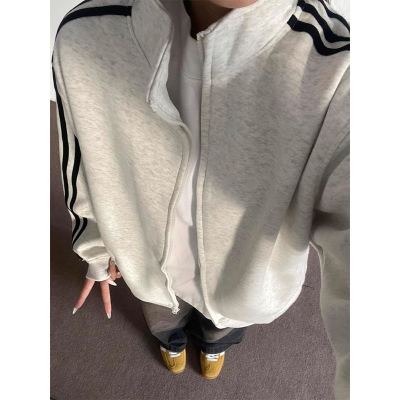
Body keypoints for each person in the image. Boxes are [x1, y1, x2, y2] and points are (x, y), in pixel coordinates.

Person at [52, 0, 349, 397]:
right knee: (163, 322)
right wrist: (94, 249)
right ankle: (172, 343)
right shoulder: (87, 33)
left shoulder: (340, 73)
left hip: (240, 289)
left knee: (220, 329)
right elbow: (79, 160)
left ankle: (213, 346)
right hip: (146, 272)